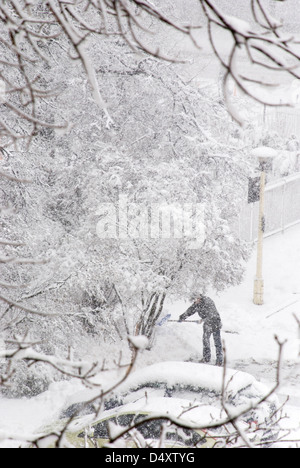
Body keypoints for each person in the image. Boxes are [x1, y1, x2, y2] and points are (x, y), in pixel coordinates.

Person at [179, 294, 223, 366]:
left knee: (217, 342)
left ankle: (219, 360)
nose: (194, 302)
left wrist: (202, 320)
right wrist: (182, 317)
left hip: (215, 322)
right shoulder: (197, 304)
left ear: (198, 298)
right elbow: (190, 310)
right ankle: (206, 358)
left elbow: (212, 314)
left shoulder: (208, 301)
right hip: (207, 324)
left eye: (195, 300)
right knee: (205, 340)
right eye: (193, 301)